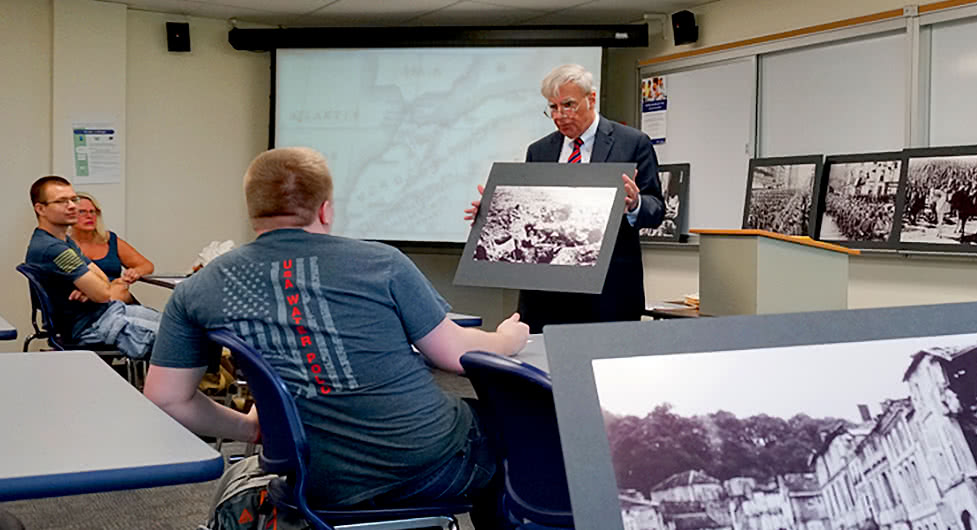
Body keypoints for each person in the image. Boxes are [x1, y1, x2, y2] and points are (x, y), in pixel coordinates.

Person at [143, 147, 529, 528]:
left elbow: (166, 398)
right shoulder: (382, 263)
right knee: (519, 431)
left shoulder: (199, 289)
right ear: (325, 209)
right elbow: (454, 354)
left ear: (253, 210)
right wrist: (506, 338)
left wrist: (250, 429)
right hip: (427, 465)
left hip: (314, 478)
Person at [465, 63, 663, 332]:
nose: (560, 115)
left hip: (608, 292)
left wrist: (635, 204)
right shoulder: (539, 151)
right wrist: (495, 214)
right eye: (553, 107)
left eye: (568, 105)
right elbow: (529, 215)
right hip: (545, 294)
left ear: (591, 99)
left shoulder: (632, 143)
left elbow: (656, 208)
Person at [25, 176, 161, 358]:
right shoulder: (53, 249)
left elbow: (103, 280)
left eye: (74, 199)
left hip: (107, 312)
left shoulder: (64, 240)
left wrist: (91, 289)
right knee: (181, 338)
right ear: (40, 209)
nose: (72, 206)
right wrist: (94, 290)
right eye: (62, 201)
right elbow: (103, 293)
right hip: (92, 326)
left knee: (179, 324)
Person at [70, 192, 155, 303]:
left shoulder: (109, 239)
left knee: (120, 288)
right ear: (69, 215)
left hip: (121, 301)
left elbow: (147, 266)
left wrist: (135, 272)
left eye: (92, 211)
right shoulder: (62, 245)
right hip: (85, 305)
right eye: (82, 212)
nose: (89, 216)